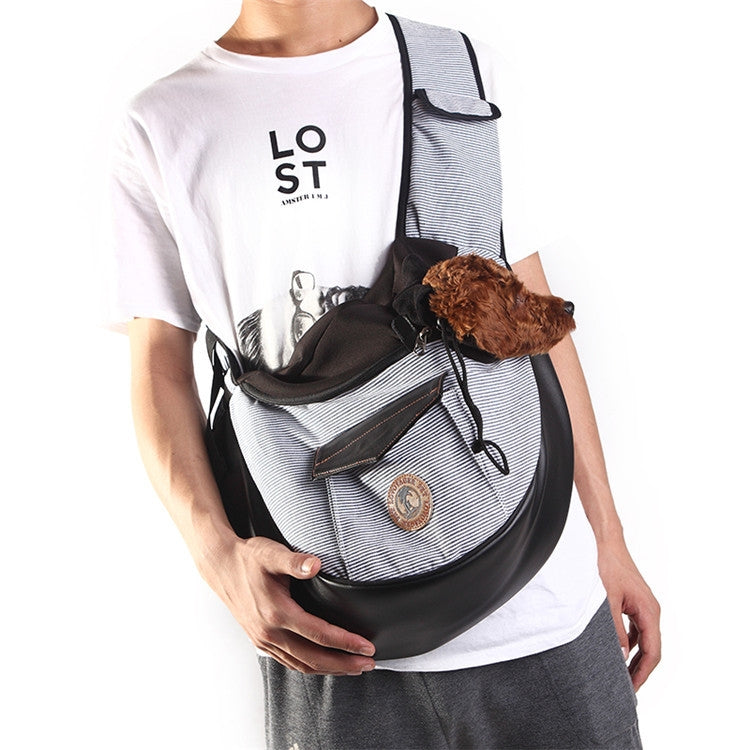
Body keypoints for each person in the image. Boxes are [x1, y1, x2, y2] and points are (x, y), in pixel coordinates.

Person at [101, 1, 661, 747]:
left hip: (539, 605)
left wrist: (609, 539)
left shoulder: (459, 71)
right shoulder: (163, 121)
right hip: (329, 627)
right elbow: (158, 363)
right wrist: (218, 558)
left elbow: (526, 316)